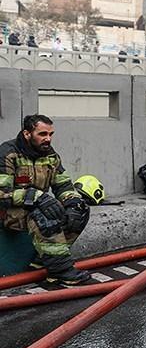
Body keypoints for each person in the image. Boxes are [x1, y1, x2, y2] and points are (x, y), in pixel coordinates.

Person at [0, 115, 91, 285]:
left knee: (79, 210)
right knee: (44, 214)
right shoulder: (8, 153)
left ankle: (41, 261)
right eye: (42, 134)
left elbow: (63, 185)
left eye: (50, 134)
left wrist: (72, 202)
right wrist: (35, 197)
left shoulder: (50, 155)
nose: (48, 139)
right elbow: (2, 193)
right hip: (8, 212)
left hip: (37, 206)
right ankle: (61, 271)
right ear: (27, 134)